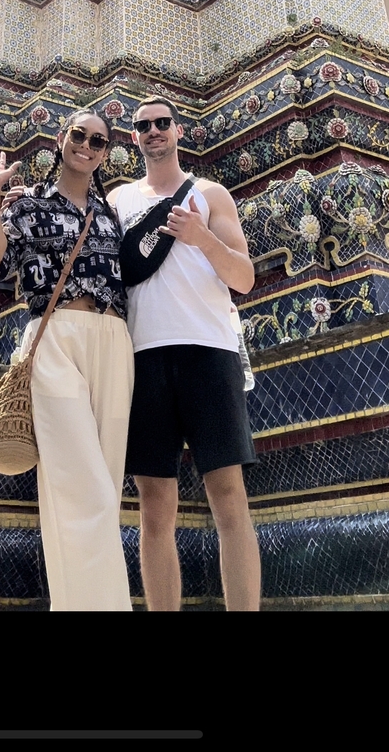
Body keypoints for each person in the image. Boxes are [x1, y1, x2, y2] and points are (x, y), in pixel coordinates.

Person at [108, 95, 261, 612]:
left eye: (162, 123)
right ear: (134, 137)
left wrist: (200, 239)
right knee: (154, 508)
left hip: (209, 351)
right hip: (144, 356)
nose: (153, 131)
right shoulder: (119, 201)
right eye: (143, 126)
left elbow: (243, 278)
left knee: (228, 498)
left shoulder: (212, 195)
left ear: (178, 130)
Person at [0, 111, 134, 612]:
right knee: (79, 487)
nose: (86, 146)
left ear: (106, 152)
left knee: (107, 488)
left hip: (112, 336)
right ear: (61, 139)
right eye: (78, 136)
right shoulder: (30, 206)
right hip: (55, 335)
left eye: (98, 141)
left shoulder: (110, 212)